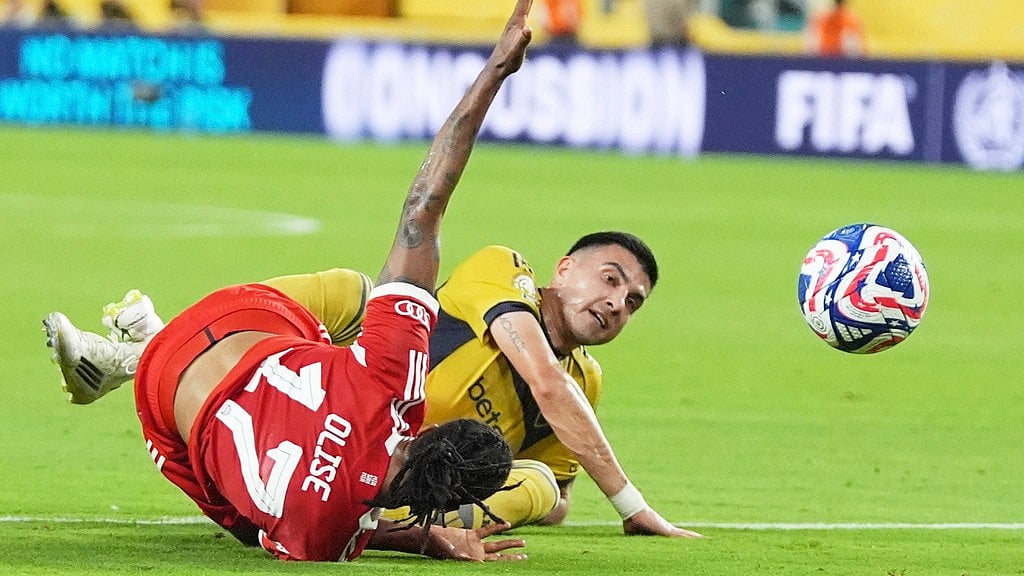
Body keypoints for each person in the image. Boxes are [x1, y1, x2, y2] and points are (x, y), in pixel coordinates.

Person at [46, 22, 701, 547]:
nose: (618, 303)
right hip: (192, 431)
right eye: (612, 280)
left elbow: (424, 206)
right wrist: (631, 506)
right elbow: (546, 386)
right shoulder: (506, 276)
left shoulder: (395, 379)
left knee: (533, 481)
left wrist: (492, 73)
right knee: (348, 305)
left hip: (272, 354)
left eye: (633, 301)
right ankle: (146, 356)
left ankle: (146, 348)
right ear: (564, 269)